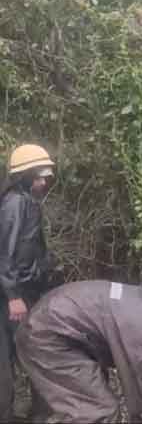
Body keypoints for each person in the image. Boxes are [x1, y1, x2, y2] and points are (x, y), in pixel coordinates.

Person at [15, 279, 142, 423]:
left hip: (54, 330)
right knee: (98, 410)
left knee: (95, 398)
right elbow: (139, 388)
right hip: (47, 338)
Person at [1, 144, 57, 422]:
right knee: (24, 351)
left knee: (24, 350)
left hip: (26, 290)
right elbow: (3, 253)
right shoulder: (15, 204)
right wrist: (13, 296)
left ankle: (34, 412)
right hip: (15, 294)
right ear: (24, 176)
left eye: (46, 176)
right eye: (39, 176)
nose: (44, 181)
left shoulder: (27, 201)